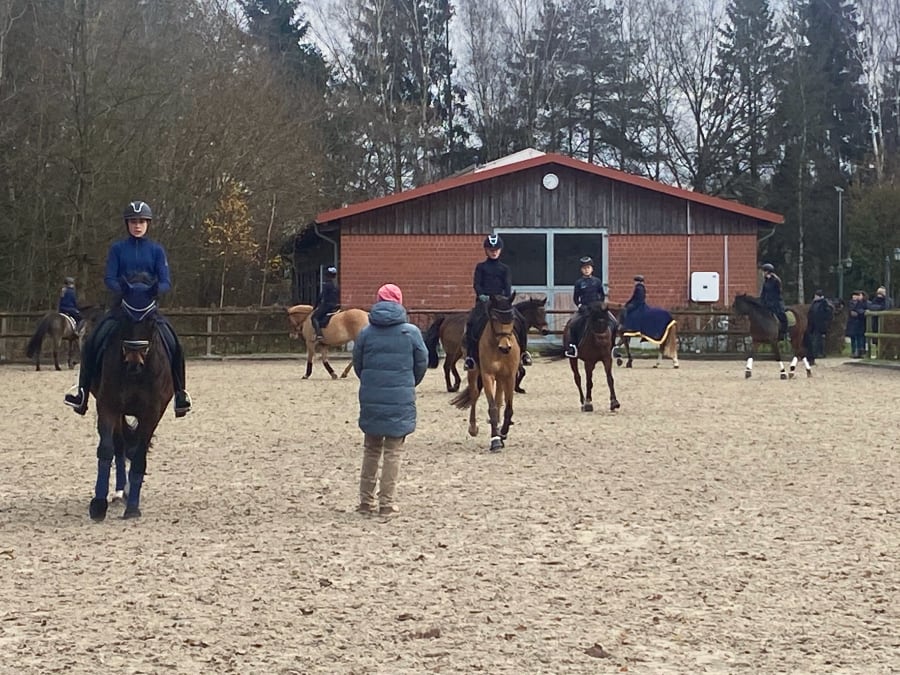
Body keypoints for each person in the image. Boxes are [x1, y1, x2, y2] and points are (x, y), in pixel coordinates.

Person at [64, 200, 192, 417]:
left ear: (147, 224)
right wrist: (126, 290)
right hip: (121, 308)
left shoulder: (156, 250)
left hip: (149, 309)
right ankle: (82, 392)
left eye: (142, 221)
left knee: (175, 344)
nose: (137, 225)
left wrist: (149, 291)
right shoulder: (117, 249)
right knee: (93, 341)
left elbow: (166, 282)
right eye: (133, 221)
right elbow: (110, 278)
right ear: (127, 224)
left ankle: (180, 393)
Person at [352, 283, 428, 516]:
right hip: (400, 395)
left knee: (371, 450)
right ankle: (387, 503)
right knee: (393, 451)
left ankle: (365, 502)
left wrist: (370, 381)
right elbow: (422, 362)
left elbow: (358, 363)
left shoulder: (366, 332)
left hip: (372, 396)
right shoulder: (411, 332)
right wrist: (408, 382)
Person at [463, 234, 531, 371]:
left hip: (501, 303)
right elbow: (477, 284)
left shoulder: (504, 268)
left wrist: (504, 299)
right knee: (472, 322)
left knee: (522, 321)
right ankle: (470, 357)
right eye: (491, 249)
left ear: (500, 250)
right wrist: (481, 295)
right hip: (485, 302)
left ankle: (523, 352)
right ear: (486, 251)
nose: (494, 252)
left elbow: (507, 286)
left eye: (496, 249)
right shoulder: (481, 267)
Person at [565, 256, 606, 359]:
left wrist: (600, 304)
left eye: (588, 268)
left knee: (612, 321)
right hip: (585, 309)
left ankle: (613, 346)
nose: (586, 270)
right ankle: (572, 347)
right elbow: (575, 297)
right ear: (581, 270)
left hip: (596, 309)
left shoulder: (597, 281)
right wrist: (580, 306)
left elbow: (602, 294)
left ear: (592, 269)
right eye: (584, 268)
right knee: (573, 324)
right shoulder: (579, 283)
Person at [759, 263, 788, 340]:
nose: (762, 273)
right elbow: (763, 293)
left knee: (781, 316)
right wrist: (761, 301)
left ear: (767, 272)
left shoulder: (776, 281)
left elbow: (777, 292)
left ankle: (784, 333)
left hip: (776, 303)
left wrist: (771, 302)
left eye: (763, 271)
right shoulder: (765, 282)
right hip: (767, 304)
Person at [311, 266, 340, 342]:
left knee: (314, 317)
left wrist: (315, 306)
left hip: (328, 305)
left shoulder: (326, 285)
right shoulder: (336, 285)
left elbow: (321, 296)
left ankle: (319, 335)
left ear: (327, 275)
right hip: (336, 305)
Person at [805, 289, 834, 364]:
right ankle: (816, 353)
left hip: (820, 324)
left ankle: (819, 353)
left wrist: (824, 321)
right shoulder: (814, 303)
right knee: (815, 339)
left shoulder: (824, 303)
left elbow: (827, 313)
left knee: (818, 339)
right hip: (813, 324)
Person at [845, 290, 867, 358]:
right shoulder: (851, 303)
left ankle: (860, 352)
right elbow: (852, 312)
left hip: (859, 323)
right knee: (854, 338)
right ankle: (854, 351)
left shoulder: (862, 303)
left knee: (860, 338)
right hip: (853, 323)